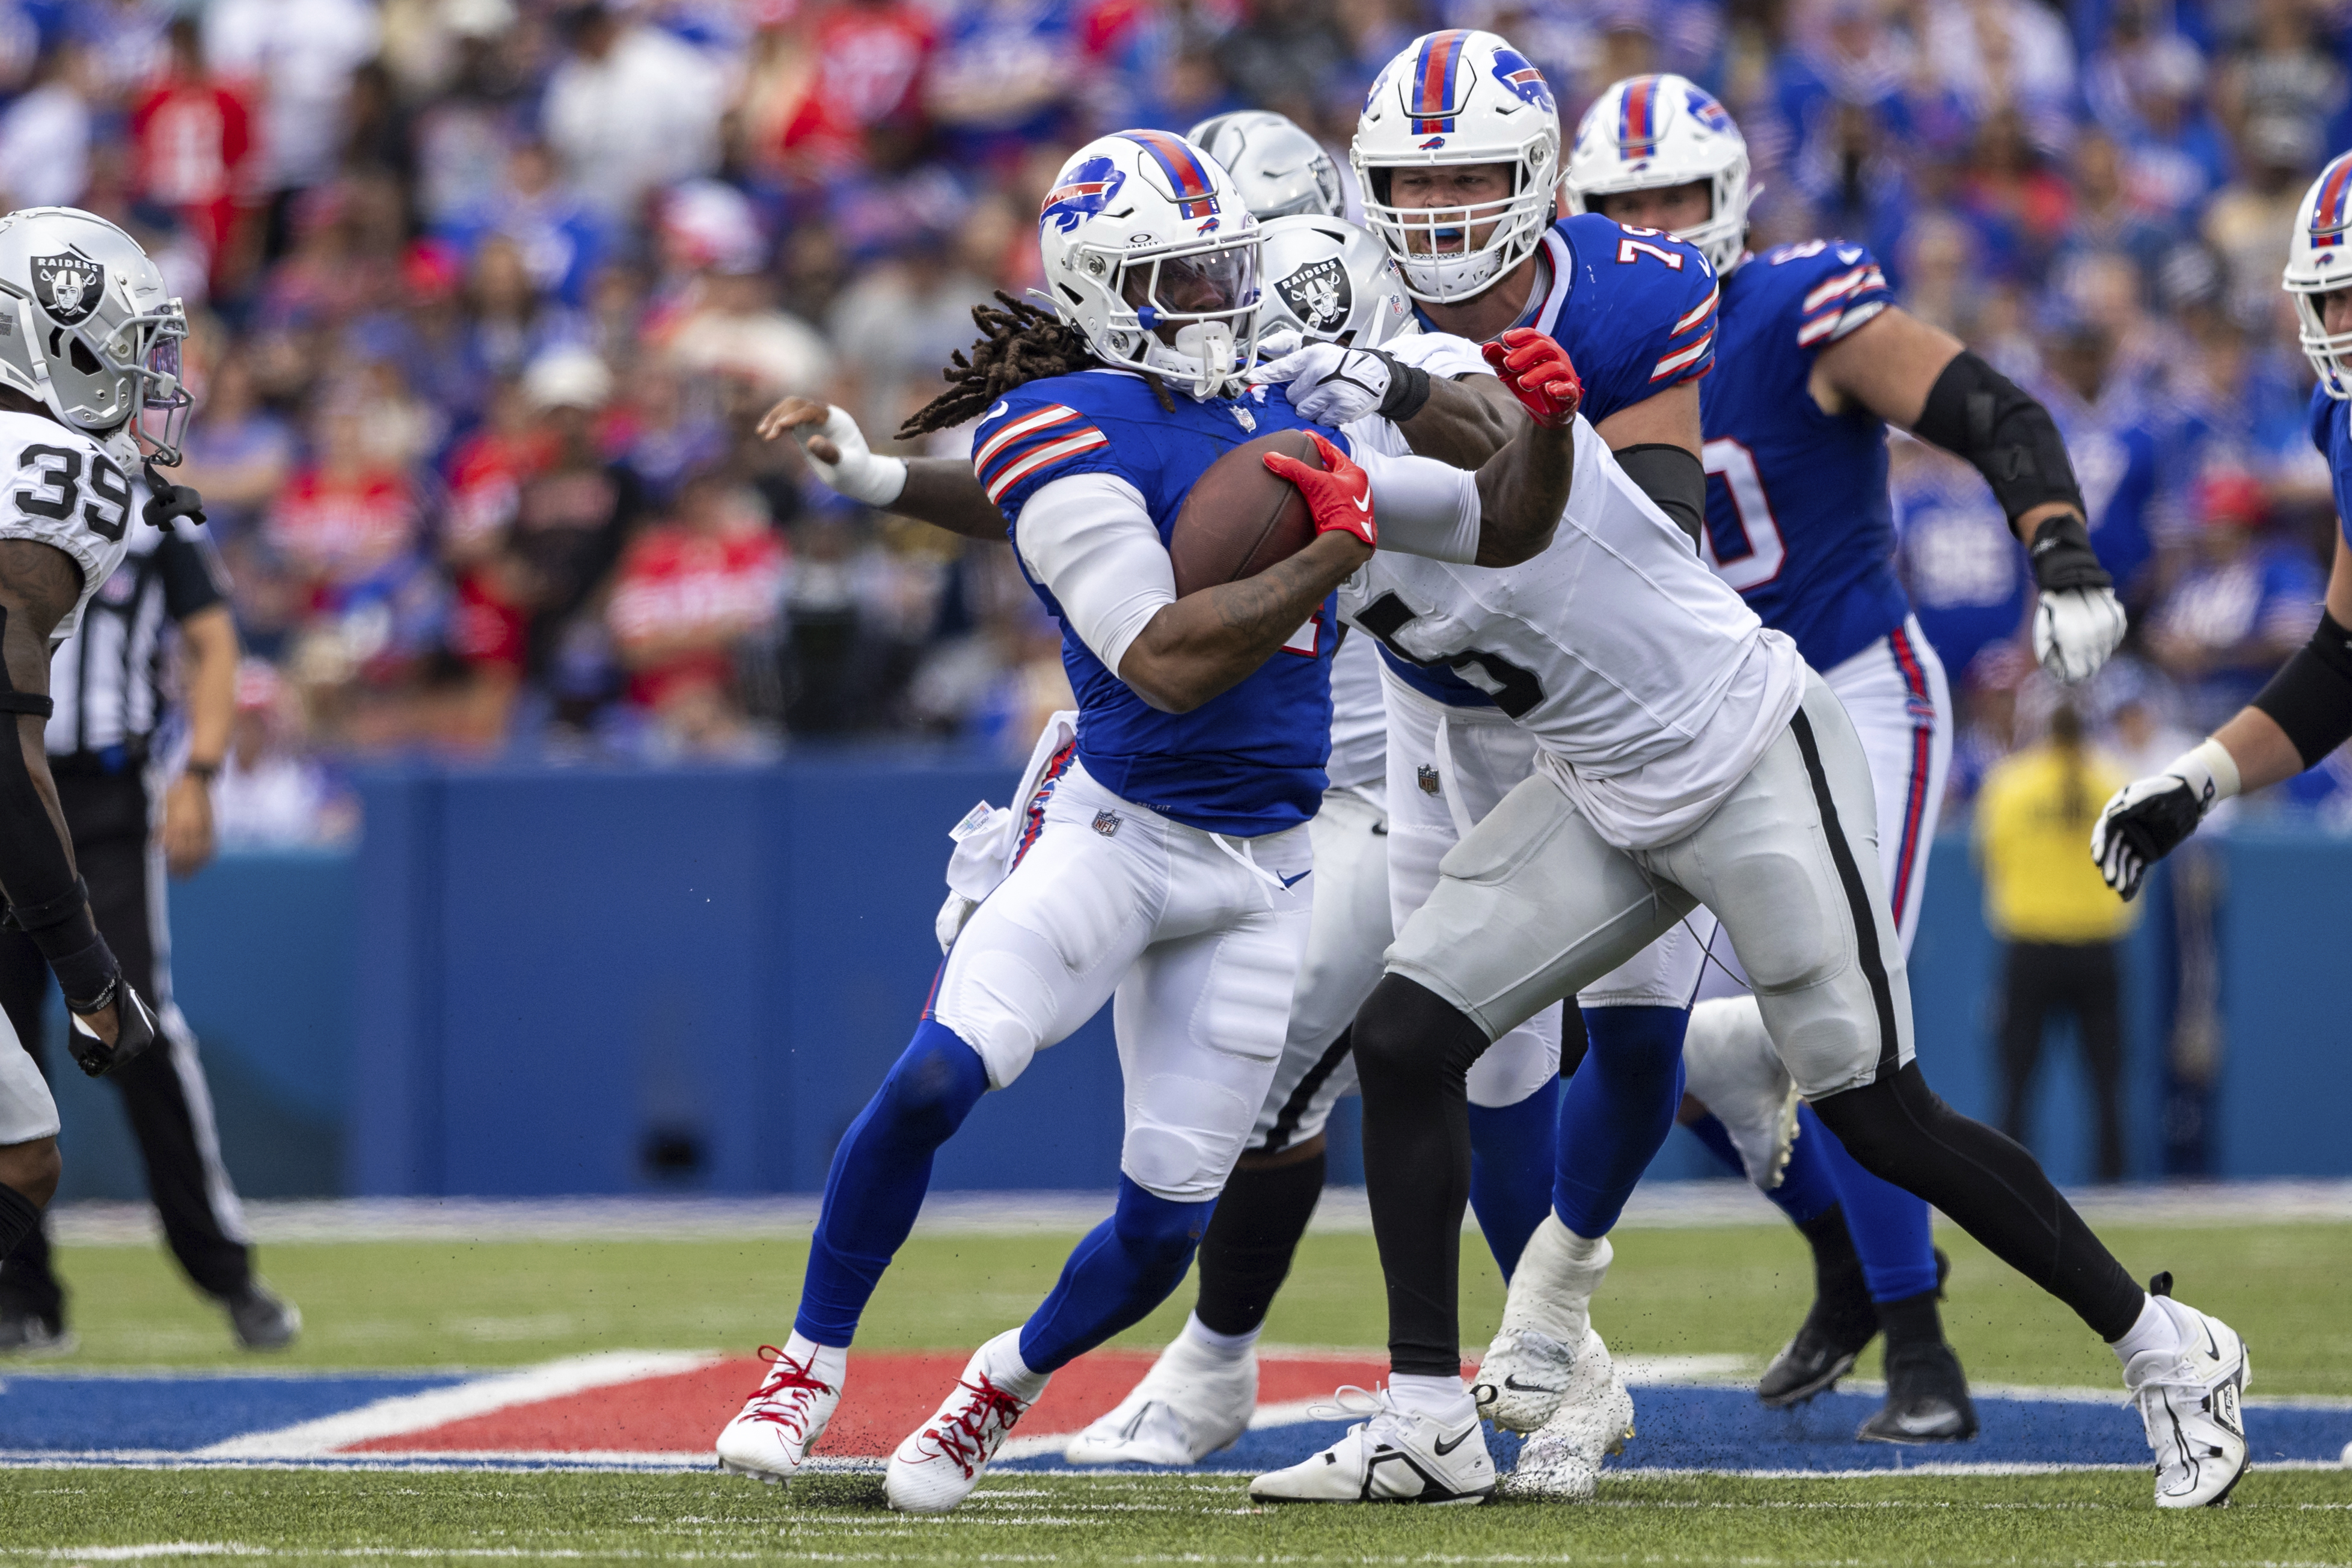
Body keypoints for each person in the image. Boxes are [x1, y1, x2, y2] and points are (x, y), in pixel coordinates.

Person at [1223, 102, 2244, 1503]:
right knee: (1403, 1036)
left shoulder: (1443, 365)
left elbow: (1494, 475)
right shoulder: (1274, 422)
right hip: (1590, 784)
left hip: (1739, 752)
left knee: (1879, 1110)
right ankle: (1424, 1413)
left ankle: (2166, 1345)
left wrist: (1391, 393)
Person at [708, 129, 1581, 1514]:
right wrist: (1332, 547)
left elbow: (1498, 527)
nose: (1226, 298)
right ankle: (805, 1364)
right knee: (938, 1077)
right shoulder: (1064, 418)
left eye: (1228, 265)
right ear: (1106, 292)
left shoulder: (1275, 407)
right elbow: (1163, 654)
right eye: (1186, 278)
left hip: (1265, 867)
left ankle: (997, 1381)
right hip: (1115, 825)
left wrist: (1536, 432)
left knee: (1163, 1226)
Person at [1504, 70, 2131, 1453]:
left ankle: (1918, 1346)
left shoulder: (1792, 305)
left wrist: (2051, 537)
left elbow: (1982, 405)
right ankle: (1842, 1261)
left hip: (1847, 691)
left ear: (1724, 198)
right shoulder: (1559, 333)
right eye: (1620, 206)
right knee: (1645, 1050)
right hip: (1675, 718)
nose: (1652, 224)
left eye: (1673, 197)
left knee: (1835, 1028)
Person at [0, 452, 299, 1353]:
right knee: (9, 1038)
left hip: (103, 796)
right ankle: (23, 1295)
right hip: (10, 783)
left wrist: (199, 773)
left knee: (136, 1026)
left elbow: (212, 639)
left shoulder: (140, 503)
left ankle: (223, 1267)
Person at [0, 208, 197, 1299]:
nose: (147, 379)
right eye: (126, 348)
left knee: (22, 1153)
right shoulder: (43, 477)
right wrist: (88, 974)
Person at [2096, 150, 2352, 903]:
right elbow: (2343, 661)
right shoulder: (2340, 420)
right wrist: (2200, 777)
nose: (2339, 324)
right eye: (2327, 299)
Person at [1976, 701, 2137, 1181]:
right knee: (2108, 1085)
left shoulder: (2011, 783)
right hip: (2098, 946)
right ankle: (2113, 1185)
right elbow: (2136, 863)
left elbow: (1990, 859)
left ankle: (2011, 1186)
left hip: (2031, 947)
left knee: (2016, 1084)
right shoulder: (2115, 783)